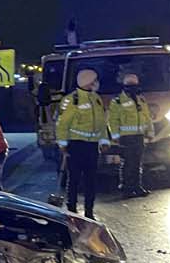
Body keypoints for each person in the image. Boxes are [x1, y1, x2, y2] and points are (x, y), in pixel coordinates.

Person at [55, 68, 109, 218]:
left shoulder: (96, 98)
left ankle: (89, 212)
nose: (96, 83)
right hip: (76, 145)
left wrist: (104, 141)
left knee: (91, 180)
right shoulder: (71, 100)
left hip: (92, 146)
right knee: (74, 179)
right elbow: (62, 124)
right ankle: (71, 210)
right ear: (87, 82)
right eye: (94, 80)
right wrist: (62, 145)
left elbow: (102, 123)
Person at [107, 72, 153, 197]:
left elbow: (147, 118)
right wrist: (115, 136)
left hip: (139, 136)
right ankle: (126, 188)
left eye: (135, 84)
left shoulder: (141, 100)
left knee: (137, 163)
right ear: (124, 86)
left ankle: (137, 187)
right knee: (127, 163)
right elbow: (112, 120)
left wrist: (150, 132)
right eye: (130, 85)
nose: (133, 87)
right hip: (126, 137)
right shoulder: (117, 102)